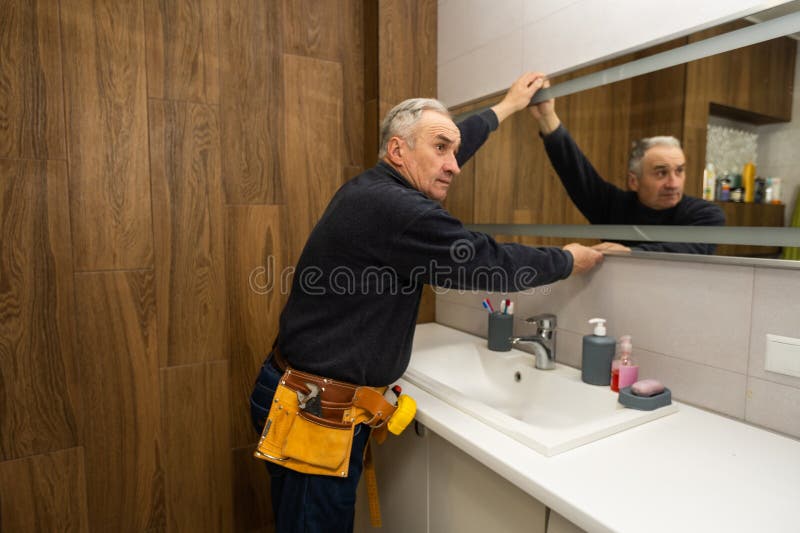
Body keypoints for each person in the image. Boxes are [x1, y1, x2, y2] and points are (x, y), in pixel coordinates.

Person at [249, 73, 603, 533]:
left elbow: (452, 146)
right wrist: (566, 259)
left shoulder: (376, 190)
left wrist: (508, 106)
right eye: (441, 149)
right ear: (398, 151)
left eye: (454, 152)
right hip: (317, 414)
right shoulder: (402, 212)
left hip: (299, 395)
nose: (454, 165)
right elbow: (485, 262)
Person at [529, 85, 725, 254]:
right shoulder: (614, 207)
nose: (673, 183)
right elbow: (575, 172)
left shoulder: (705, 215)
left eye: (679, 171)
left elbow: (690, 250)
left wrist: (631, 253)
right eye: (661, 173)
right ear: (634, 181)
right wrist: (547, 117)